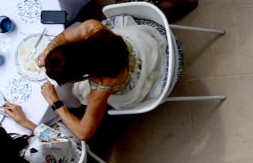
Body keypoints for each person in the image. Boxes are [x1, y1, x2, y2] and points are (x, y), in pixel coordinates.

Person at [38, 15, 168, 141]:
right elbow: (65, 36)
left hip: (133, 74)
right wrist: (49, 49)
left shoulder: (101, 88)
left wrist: (55, 102)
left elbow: (83, 133)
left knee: (80, 93)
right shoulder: (94, 28)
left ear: (80, 74)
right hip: (137, 44)